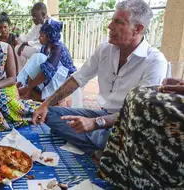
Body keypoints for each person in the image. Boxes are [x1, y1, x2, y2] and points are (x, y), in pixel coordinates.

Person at [32, 0, 168, 154]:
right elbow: (78, 78)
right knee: (50, 114)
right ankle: (104, 150)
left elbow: (140, 112)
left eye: (118, 22)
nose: (110, 26)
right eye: (112, 20)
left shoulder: (155, 62)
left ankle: (101, 146)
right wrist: (46, 103)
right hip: (103, 114)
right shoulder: (105, 50)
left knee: (133, 141)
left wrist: (97, 123)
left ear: (137, 29)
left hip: (128, 124)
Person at [99, 79, 184, 189]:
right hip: (114, 120)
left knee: (145, 100)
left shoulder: (154, 62)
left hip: (114, 121)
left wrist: (98, 122)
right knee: (139, 95)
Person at [17, 19, 76, 101]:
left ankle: (27, 89)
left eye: (42, 36)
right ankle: (24, 87)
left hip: (65, 80)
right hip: (51, 76)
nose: (39, 38)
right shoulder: (45, 47)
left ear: (49, 36)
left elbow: (46, 74)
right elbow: (39, 69)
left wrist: (28, 86)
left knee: (38, 58)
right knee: (37, 59)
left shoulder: (58, 48)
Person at [15, 2, 49, 71]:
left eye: (35, 16)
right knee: (17, 48)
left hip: (49, 52)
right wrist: (18, 34)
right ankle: (22, 74)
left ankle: (23, 74)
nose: (33, 19)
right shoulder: (37, 25)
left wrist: (27, 43)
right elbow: (27, 38)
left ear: (43, 14)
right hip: (39, 49)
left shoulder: (52, 24)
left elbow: (47, 42)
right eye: (32, 16)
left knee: (20, 48)